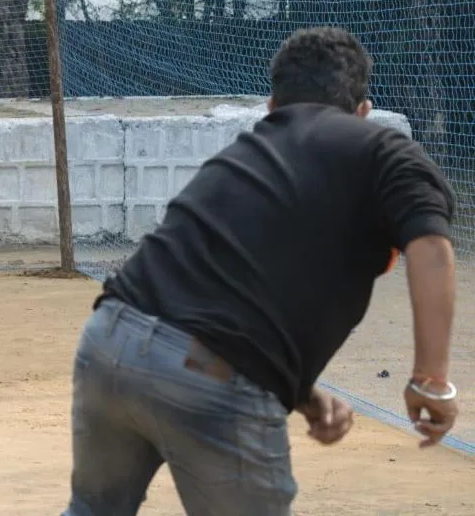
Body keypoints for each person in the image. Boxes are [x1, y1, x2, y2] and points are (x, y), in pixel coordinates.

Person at [63, 26, 460, 516]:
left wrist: (303, 395)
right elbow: (433, 251)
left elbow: (221, 298)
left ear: (272, 105)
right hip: (209, 375)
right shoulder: (383, 150)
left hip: (110, 341)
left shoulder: (244, 156)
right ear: (363, 110)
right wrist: (430, 381)